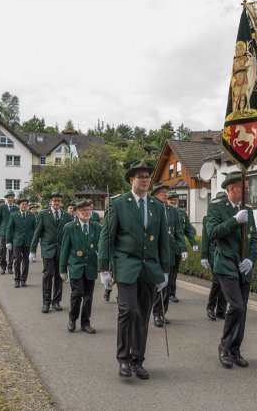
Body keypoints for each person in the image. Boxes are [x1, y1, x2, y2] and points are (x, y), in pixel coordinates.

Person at [98, 160, 170, 380]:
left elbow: (162, 240)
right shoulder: (119, 204)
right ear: (132, 180)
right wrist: (104, 269)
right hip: (126, 266)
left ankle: (138, 360)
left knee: (142, 315)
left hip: (149, 269)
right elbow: (106, 237)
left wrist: (164, 270)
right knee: (128, 311)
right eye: (141, 177)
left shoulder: (157, 206)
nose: (146, 180)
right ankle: (123, 359)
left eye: (148, 177)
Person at [206, 172, 257, 369]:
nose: (247, 188)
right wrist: (234, 220)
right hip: (226, 265)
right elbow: (212, 233)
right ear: (231, 189)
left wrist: (251, 260)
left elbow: (253, 240)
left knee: (242, 311)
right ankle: (224, 346)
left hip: (243, 268)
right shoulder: (217, 208)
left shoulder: (249, 211)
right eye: (243, 185)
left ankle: (235, 349)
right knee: (236, 306)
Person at [60, 199, 102, 334]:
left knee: (88, 297)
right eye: (83, 210)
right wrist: (62, 269)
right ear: (77, 212)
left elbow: (101, 248)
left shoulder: (97, 227)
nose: (86, 212)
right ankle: (72, 318)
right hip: (76, 266)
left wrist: (104, 268)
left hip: (90, 266)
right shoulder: (70, 227)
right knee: (77, 294)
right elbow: (65, 249)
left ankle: (85, 323)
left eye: (88, 209)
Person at [150, 183, 185, 328]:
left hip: (169, 252)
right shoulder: (151, 209)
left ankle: (163, 311)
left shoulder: (172, 211)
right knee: (158, 285)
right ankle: (157, 312)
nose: (165, 194)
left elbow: (178, 232)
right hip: (154, 253)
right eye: (162, 192)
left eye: (166, 192)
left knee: (168, 284)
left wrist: (182, 248)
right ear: (155, 195)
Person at [31, 191, 73, 313]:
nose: (56, 203)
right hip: (48, 249)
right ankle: (46, 302)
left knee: (60, 276)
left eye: (58, 201)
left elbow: (69, 235)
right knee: (48, 274)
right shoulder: (43, 214)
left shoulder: (67, 216)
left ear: (61, 202)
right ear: (50, 201)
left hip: (61, 250)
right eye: (54, 200)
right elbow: (37, 232)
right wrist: (33, 250)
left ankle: (56, 301)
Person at [166, 191, 198, 303]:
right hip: (167, 248)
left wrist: (193, 243)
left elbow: (188, 230)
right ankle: (165, 293)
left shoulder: (182, 214)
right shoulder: (165, 211)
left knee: (174, 272)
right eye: (171, 200)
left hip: (177, 248)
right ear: (167, 200)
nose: (173, 202)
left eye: (175, 200)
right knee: (167, 272)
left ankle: (171, 293)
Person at [202, 191, 228, 321]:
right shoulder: (208, 217)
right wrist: (204, 256)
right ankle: (211, 307)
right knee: (217, 282)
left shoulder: (229, 215)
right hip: (214, 255)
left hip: (226, 254)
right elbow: (206, 238)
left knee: (226, 284)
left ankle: (221, 310)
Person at [7, 198, 37, 288]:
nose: (24, 206)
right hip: (17, 241)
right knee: (17, 260)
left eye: (25, 204)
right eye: (22, 204)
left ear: (27, 206)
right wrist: (8, 241)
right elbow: (9, 228)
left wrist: (35, 241)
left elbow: (34, 229)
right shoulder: (14, 215)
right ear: (19, 205)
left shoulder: (32, 216)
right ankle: (17, 280)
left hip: (28, 241)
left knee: (26, 261)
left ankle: (23, 280)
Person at [0, 191, 18, 275]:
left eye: (12, 197)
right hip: (3, 231)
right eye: (9, 197)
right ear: (7, 198)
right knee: (3, 249)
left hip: (13, 232)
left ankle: (10, 267)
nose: (10, 199)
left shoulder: (16, 208)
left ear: (13, 198)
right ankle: (3, 267)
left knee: (12, 250)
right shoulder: (2, 207)